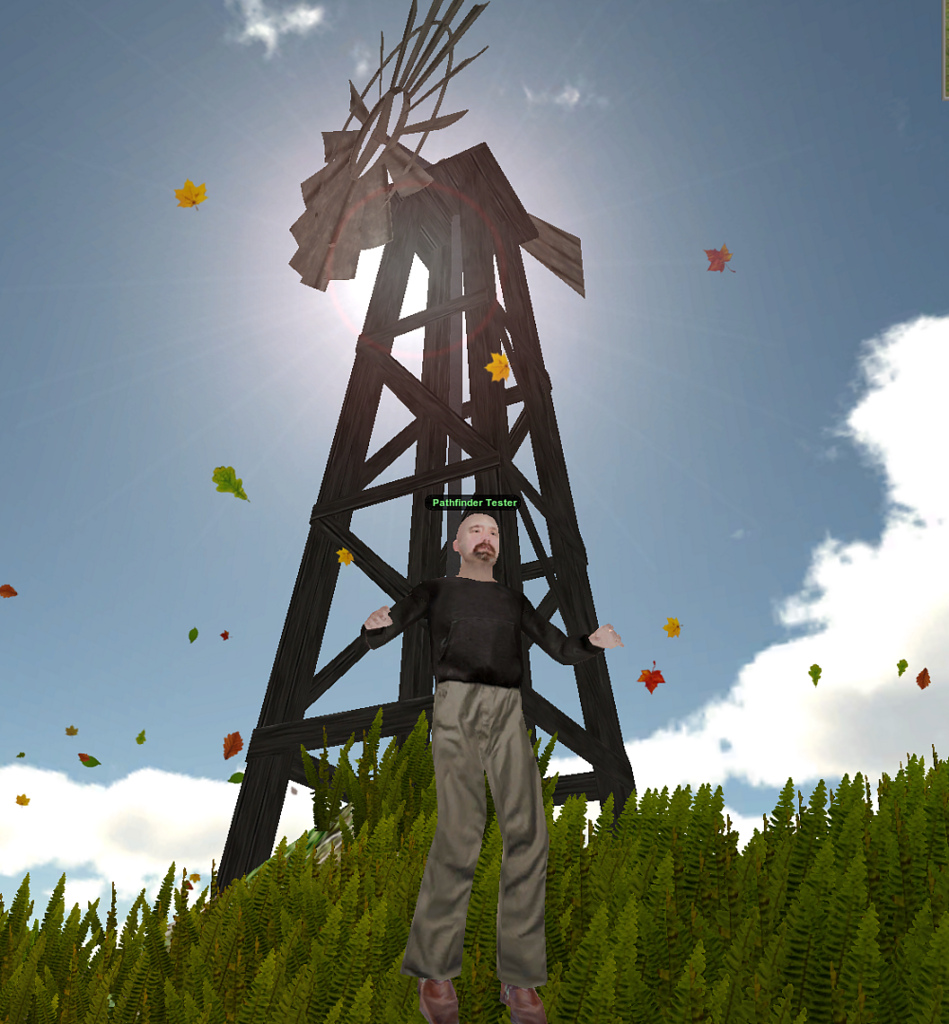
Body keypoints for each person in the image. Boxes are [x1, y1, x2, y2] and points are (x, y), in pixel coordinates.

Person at [361, 512, 623, 1024]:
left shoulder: (513, 601)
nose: (486, 538)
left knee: (529, 832)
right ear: (456, 543)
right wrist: (373, 627)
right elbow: (389, 626)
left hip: (508, 708)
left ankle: (520, 981)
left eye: (494, 533)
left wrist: (591, 643)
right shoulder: (435, 590)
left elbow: (558, 647)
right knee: (461, 829)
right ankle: (435, 971)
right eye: (476, 531)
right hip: (456, 703)